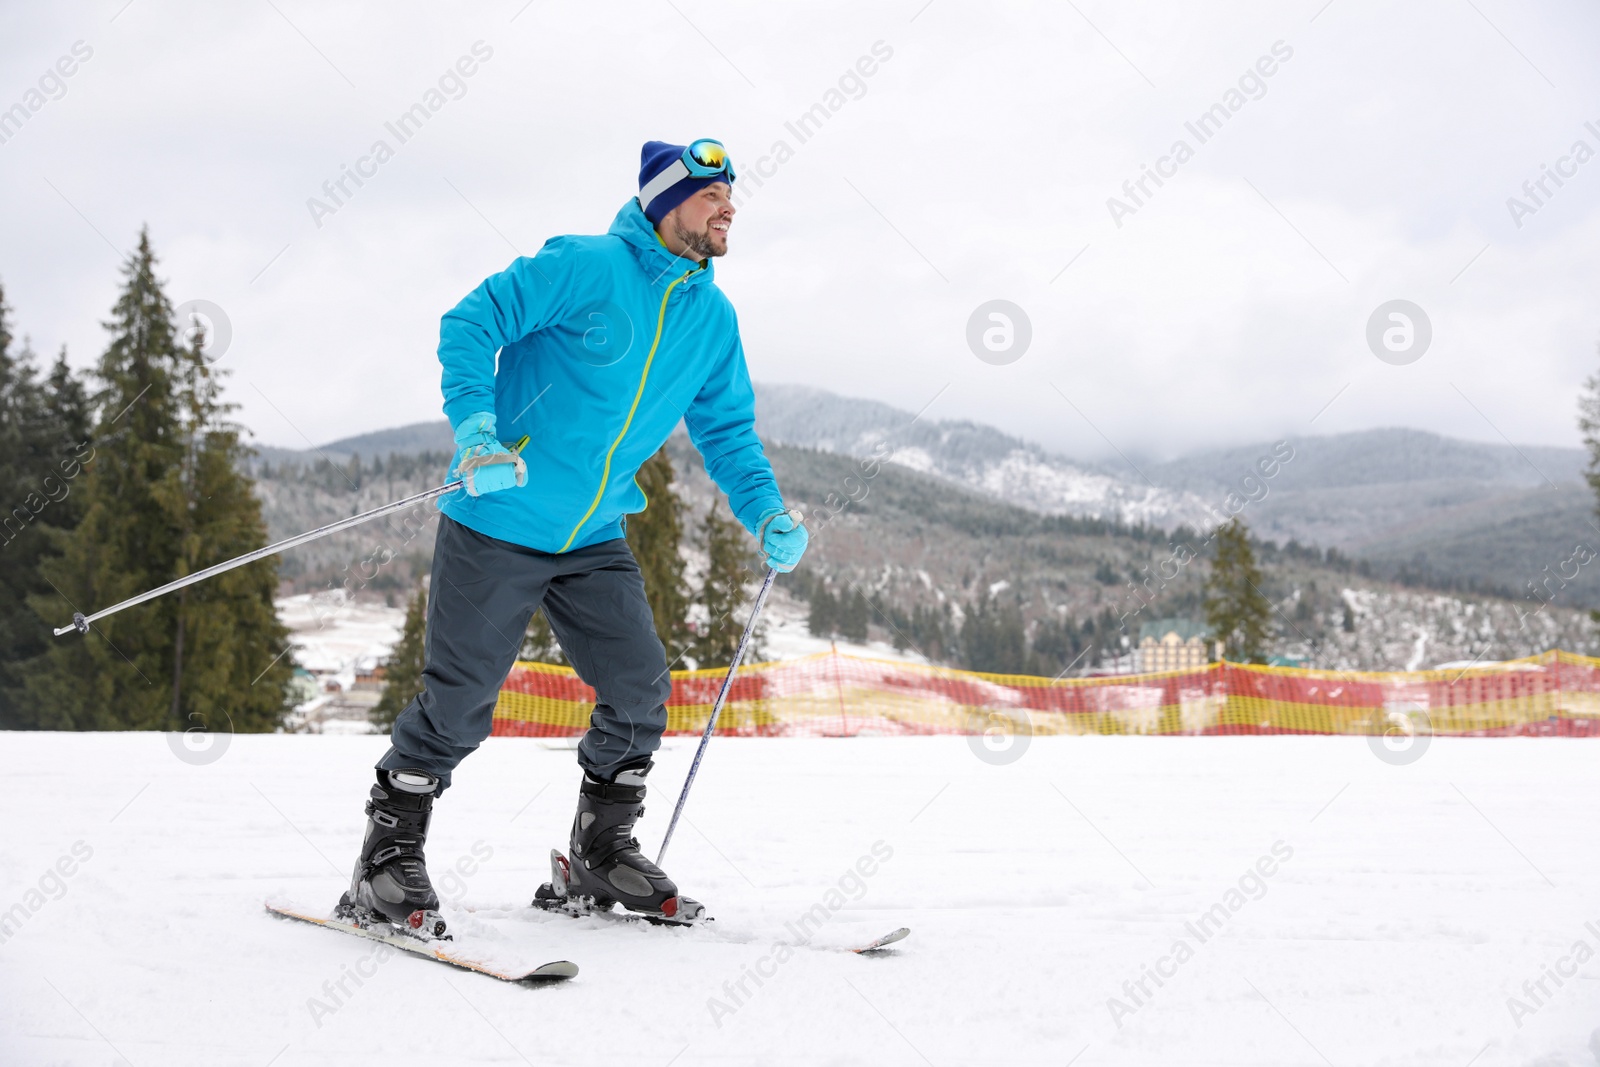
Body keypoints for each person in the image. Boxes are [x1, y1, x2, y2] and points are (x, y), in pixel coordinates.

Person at [338, 139, 808, 932]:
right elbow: (472, 319)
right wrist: (478, 433)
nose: (728, 207)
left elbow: (727, 430)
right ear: (665, 205)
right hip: (498, 518)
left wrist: (764, 510)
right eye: (709, 195)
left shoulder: (712, 317)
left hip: (592, 534)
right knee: (458, 703)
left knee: (639, 687)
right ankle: (384, 861)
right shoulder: (585, 266)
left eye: (731, 195)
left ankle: (600, 852)